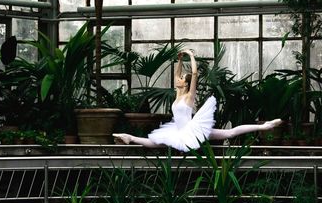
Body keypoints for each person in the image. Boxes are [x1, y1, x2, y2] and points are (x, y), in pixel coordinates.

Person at [113, 50, 282, 152]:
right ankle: (129, 137)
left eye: (181, 79)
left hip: (192, 130)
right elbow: (176, 75)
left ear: (185, 84)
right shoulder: (177, 94)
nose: (178, 79)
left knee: (229, 133)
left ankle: (264, 126)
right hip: (180, 130)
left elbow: (194, 75)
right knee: (156, 143)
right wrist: (179, 60)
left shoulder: (188, 96)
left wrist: (191, 56)